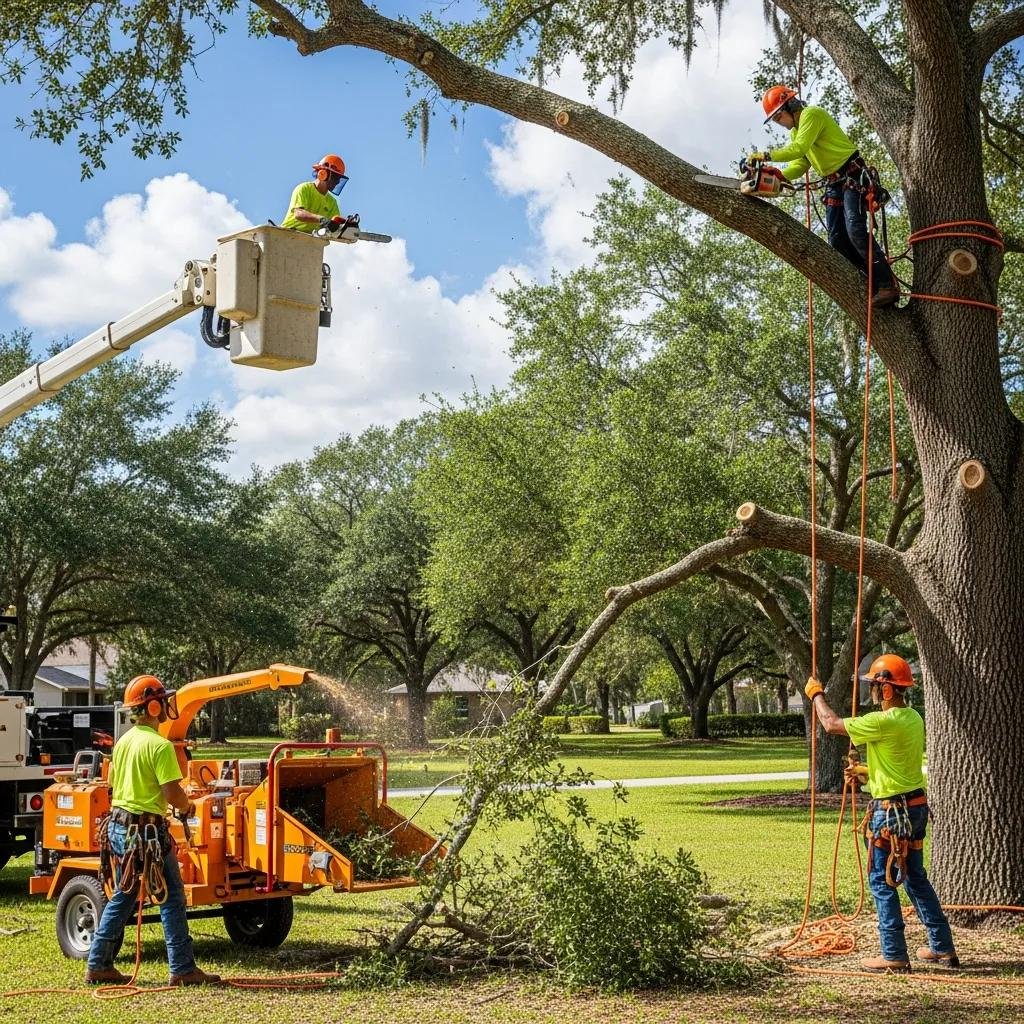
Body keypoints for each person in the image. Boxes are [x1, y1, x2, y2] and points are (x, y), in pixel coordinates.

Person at [804, 655, 957, 973]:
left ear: (887, 689)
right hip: (914, 808)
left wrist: (816, 694)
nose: (871, 691)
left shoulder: (881, 722)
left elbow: (831, 724)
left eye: (874, 685)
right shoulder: (913, 718)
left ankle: (894, 954)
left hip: (889, 814)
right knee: (915, 877)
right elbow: (895, 764)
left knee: (881, 880)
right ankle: (942, 948)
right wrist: (863, 770)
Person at [85, 675, 220, 987]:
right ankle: (183, 969)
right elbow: (173, 793)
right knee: (172, 896)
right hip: (146, 833)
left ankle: (99, 963)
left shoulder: (123, 743)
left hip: (119, 828)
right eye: (163, 700)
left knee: (124, 895)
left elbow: (115, 785)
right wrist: (187, 807)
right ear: (154, 705)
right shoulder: (159, 747)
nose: (168, 706)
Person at [748, 86, 900, 309]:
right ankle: (871, 280)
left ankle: (887, 283)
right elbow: (801, 163)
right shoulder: (795, 131)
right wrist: (779, 176)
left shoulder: (812, 115)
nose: (779, 122)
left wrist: (766, 155)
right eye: (776, 119)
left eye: (779, 115)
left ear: (790, 105)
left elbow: (799, 149)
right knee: (837, 240)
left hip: (852, 174)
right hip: (834, 183)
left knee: (855, 229)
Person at [281, 154, 349, 233]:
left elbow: (335, 226)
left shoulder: (332, 202)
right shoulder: (304, 188)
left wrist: (345, 225)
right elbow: (298, 213)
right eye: (335, 177)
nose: (337, 182)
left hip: (309, 240)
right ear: (323, 173)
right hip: (288, 233)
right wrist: (322, 219)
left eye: (339, 179)